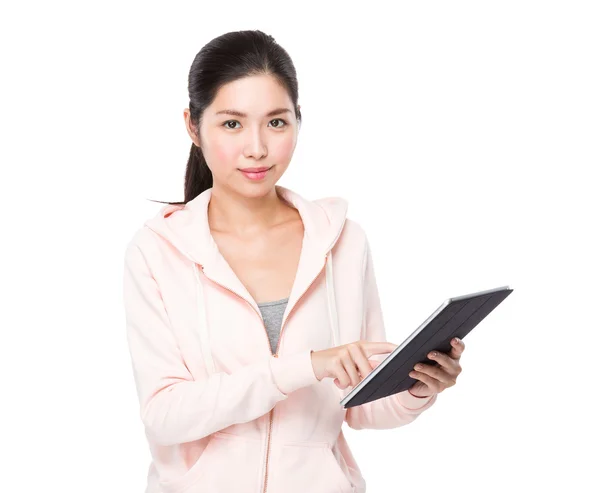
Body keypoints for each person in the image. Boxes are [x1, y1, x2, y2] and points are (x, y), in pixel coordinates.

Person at [122, 29, 465, 493]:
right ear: (192, 126)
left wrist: (418, 385)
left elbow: (359, 405)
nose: (257, 148)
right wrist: (304, 366)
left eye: (277, 122)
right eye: (232, 124)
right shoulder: (157, 251)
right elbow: (165, 416)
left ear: (298, 121)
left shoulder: (343, 241)